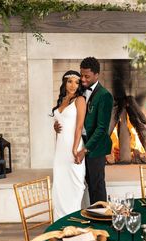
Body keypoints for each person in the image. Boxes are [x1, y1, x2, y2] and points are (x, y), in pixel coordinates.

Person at [54, 57, 113, 205]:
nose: (83, 79)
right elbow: (70, 116)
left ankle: (100, 219)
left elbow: (101, 129)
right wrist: (57, 125)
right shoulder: (79, 92)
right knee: (83, 182)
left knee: (96, 185)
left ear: (96, 75)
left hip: (95, 147)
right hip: (81, 143)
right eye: (82, 75)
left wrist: (84, 150)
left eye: (87, 76)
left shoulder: (104, 96)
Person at [51, 70, 86, 221]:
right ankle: (60, 222)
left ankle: (73, 222)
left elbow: (79, 126)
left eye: (76, 82)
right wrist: (55, 127)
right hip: (60, 151)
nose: (73, 85)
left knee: (75, 186)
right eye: (70, 81)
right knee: (60, 185)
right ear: (64, 83)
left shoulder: (80, 100)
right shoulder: (62, 100)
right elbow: (60, 121)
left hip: (74, 147)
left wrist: (74, 148)